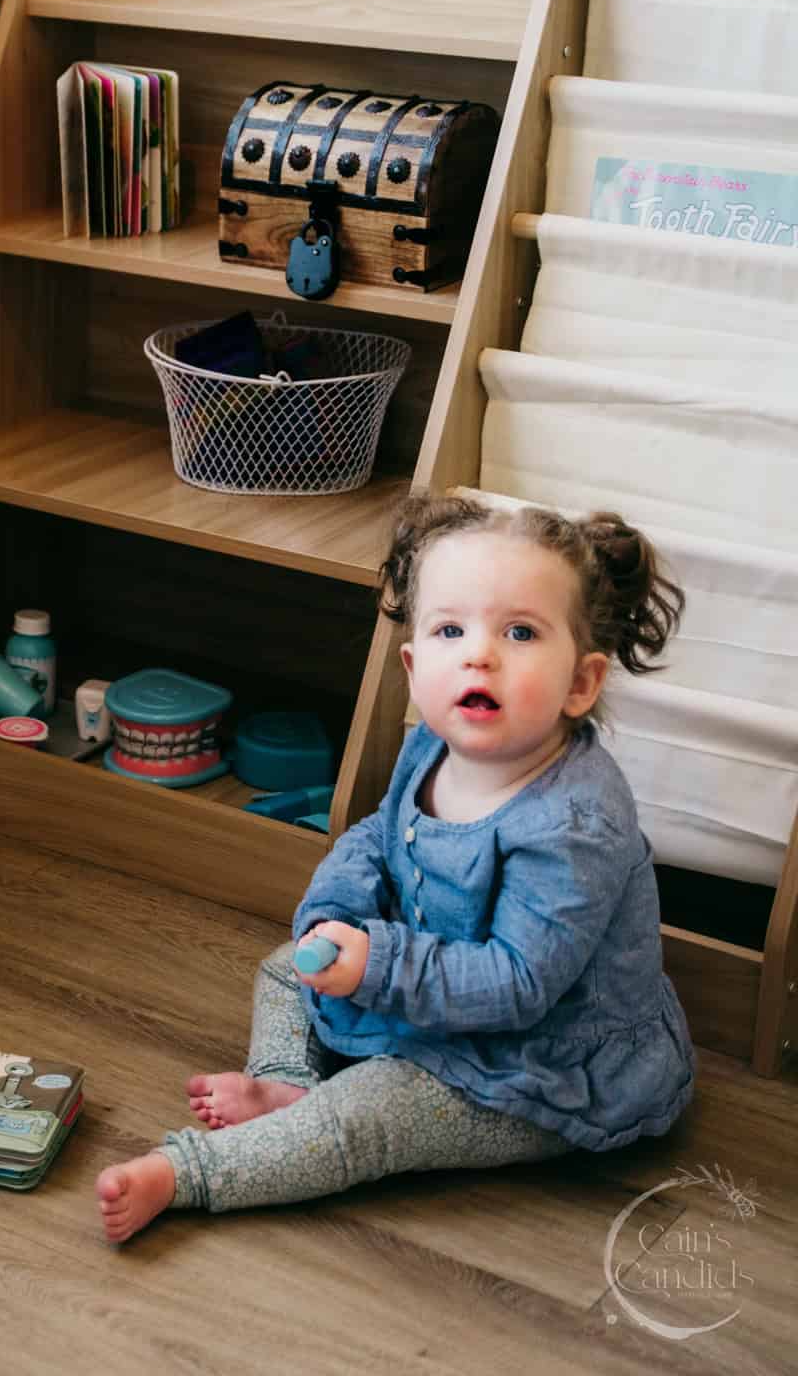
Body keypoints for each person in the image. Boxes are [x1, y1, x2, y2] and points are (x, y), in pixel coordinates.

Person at [97, 493, 696, 1241]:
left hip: (539, 1063)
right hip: (434, 988)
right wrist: (335, 916)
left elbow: (518, 984)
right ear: (414, 666)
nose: (479, 654)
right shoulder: (433, 744)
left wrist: (377, 965)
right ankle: (288, 1085)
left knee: (376, 1109)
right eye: (450, 629)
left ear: (581, 682)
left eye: (519, 632)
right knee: (286, 971)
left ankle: (190, 1173)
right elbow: (380, 836)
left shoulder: (574, 823)